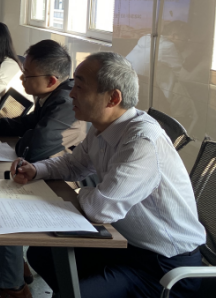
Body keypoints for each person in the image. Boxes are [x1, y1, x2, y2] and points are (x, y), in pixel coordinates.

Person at [14, 52, 205, 298]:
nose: (71, 94)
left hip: (163, 266)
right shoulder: (102, 127)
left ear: (113, 98)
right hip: (126, 244)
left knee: (72, 290)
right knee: (43, 254)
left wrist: (82, 192)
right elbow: (73, 165)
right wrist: (36, 169)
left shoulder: (142, 142)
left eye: (80, 87)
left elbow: (99, 210)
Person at [0, 40, 87, 298]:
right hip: (46, 168)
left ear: (51, 80)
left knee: (2, 201)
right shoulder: (51, 94)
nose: (21, 78)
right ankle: (11, 268)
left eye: (28, 74)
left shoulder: (65, 102)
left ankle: (13, 290)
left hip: (64, 182)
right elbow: (30, 123)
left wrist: (26, 138)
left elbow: (36, 147)